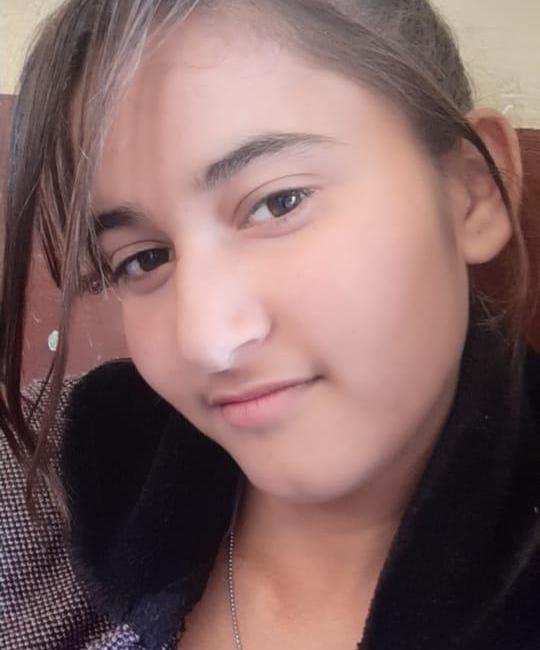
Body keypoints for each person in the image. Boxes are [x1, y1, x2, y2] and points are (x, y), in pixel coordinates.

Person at [0, 0, 539, 649]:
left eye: (278, 203)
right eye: (143, 259)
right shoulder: (38, 474)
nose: (208, 341)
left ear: (471, 192)